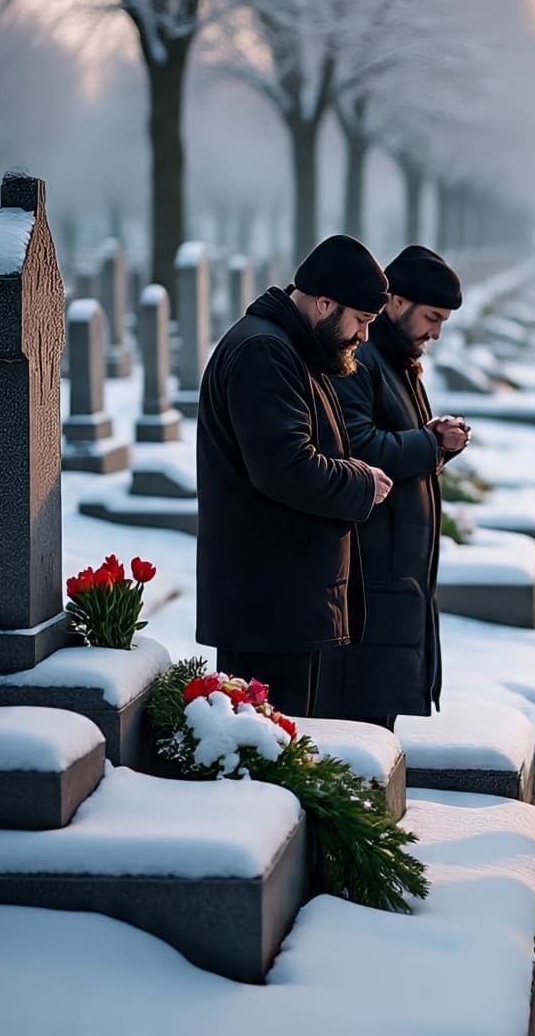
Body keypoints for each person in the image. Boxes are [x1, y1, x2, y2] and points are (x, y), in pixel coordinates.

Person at [196, 235, 394, 718]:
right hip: (270, 607)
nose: (365, 337)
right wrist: (363, 483)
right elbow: (286, 468)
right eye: (362, 321)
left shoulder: (294, 348)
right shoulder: (265, 352)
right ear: (325, 303)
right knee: (271, 762)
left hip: (282, 602)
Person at [317, 246, 470, 731]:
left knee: (379, 721)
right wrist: (430, 442)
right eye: (432, 317)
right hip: (370, 575)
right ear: (397, 303)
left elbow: (401, 444)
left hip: (393, 575)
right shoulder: (361, 358)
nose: (436, 332)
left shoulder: (397, 358)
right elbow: (358, 446)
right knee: (362, 724)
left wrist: (436, 445)